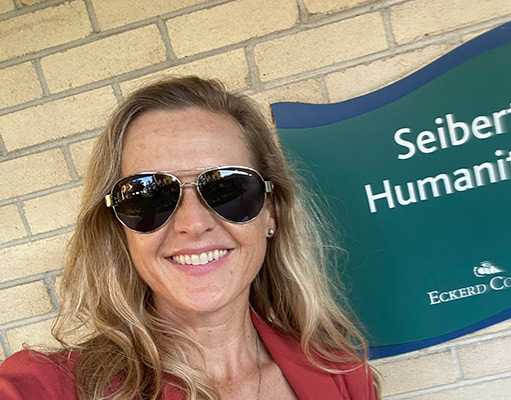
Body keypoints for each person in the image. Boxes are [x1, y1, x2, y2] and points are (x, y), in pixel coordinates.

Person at [0, 77, 380, 399]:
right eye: (149, 195)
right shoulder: (46, 387)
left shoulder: (342, 375)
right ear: (119, 227)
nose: (193, 224)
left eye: (229, 189)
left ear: (271, 211)